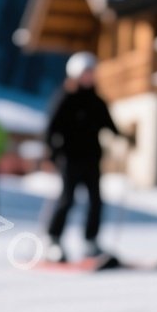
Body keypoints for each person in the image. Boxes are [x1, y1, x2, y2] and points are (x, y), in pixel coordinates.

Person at [44, 52, 130, 261]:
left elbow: (109, 125)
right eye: (85, 73)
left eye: (92, 72)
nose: (89, 76)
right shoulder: (66, 98)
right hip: (70, 158)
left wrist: (125, 138)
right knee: (67, 199)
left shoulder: (97, 101)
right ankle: (54, 241)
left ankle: (90, 242)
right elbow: (51, 129)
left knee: (96, 201)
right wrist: (53, 153)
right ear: (75, 74)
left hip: (92, 158)